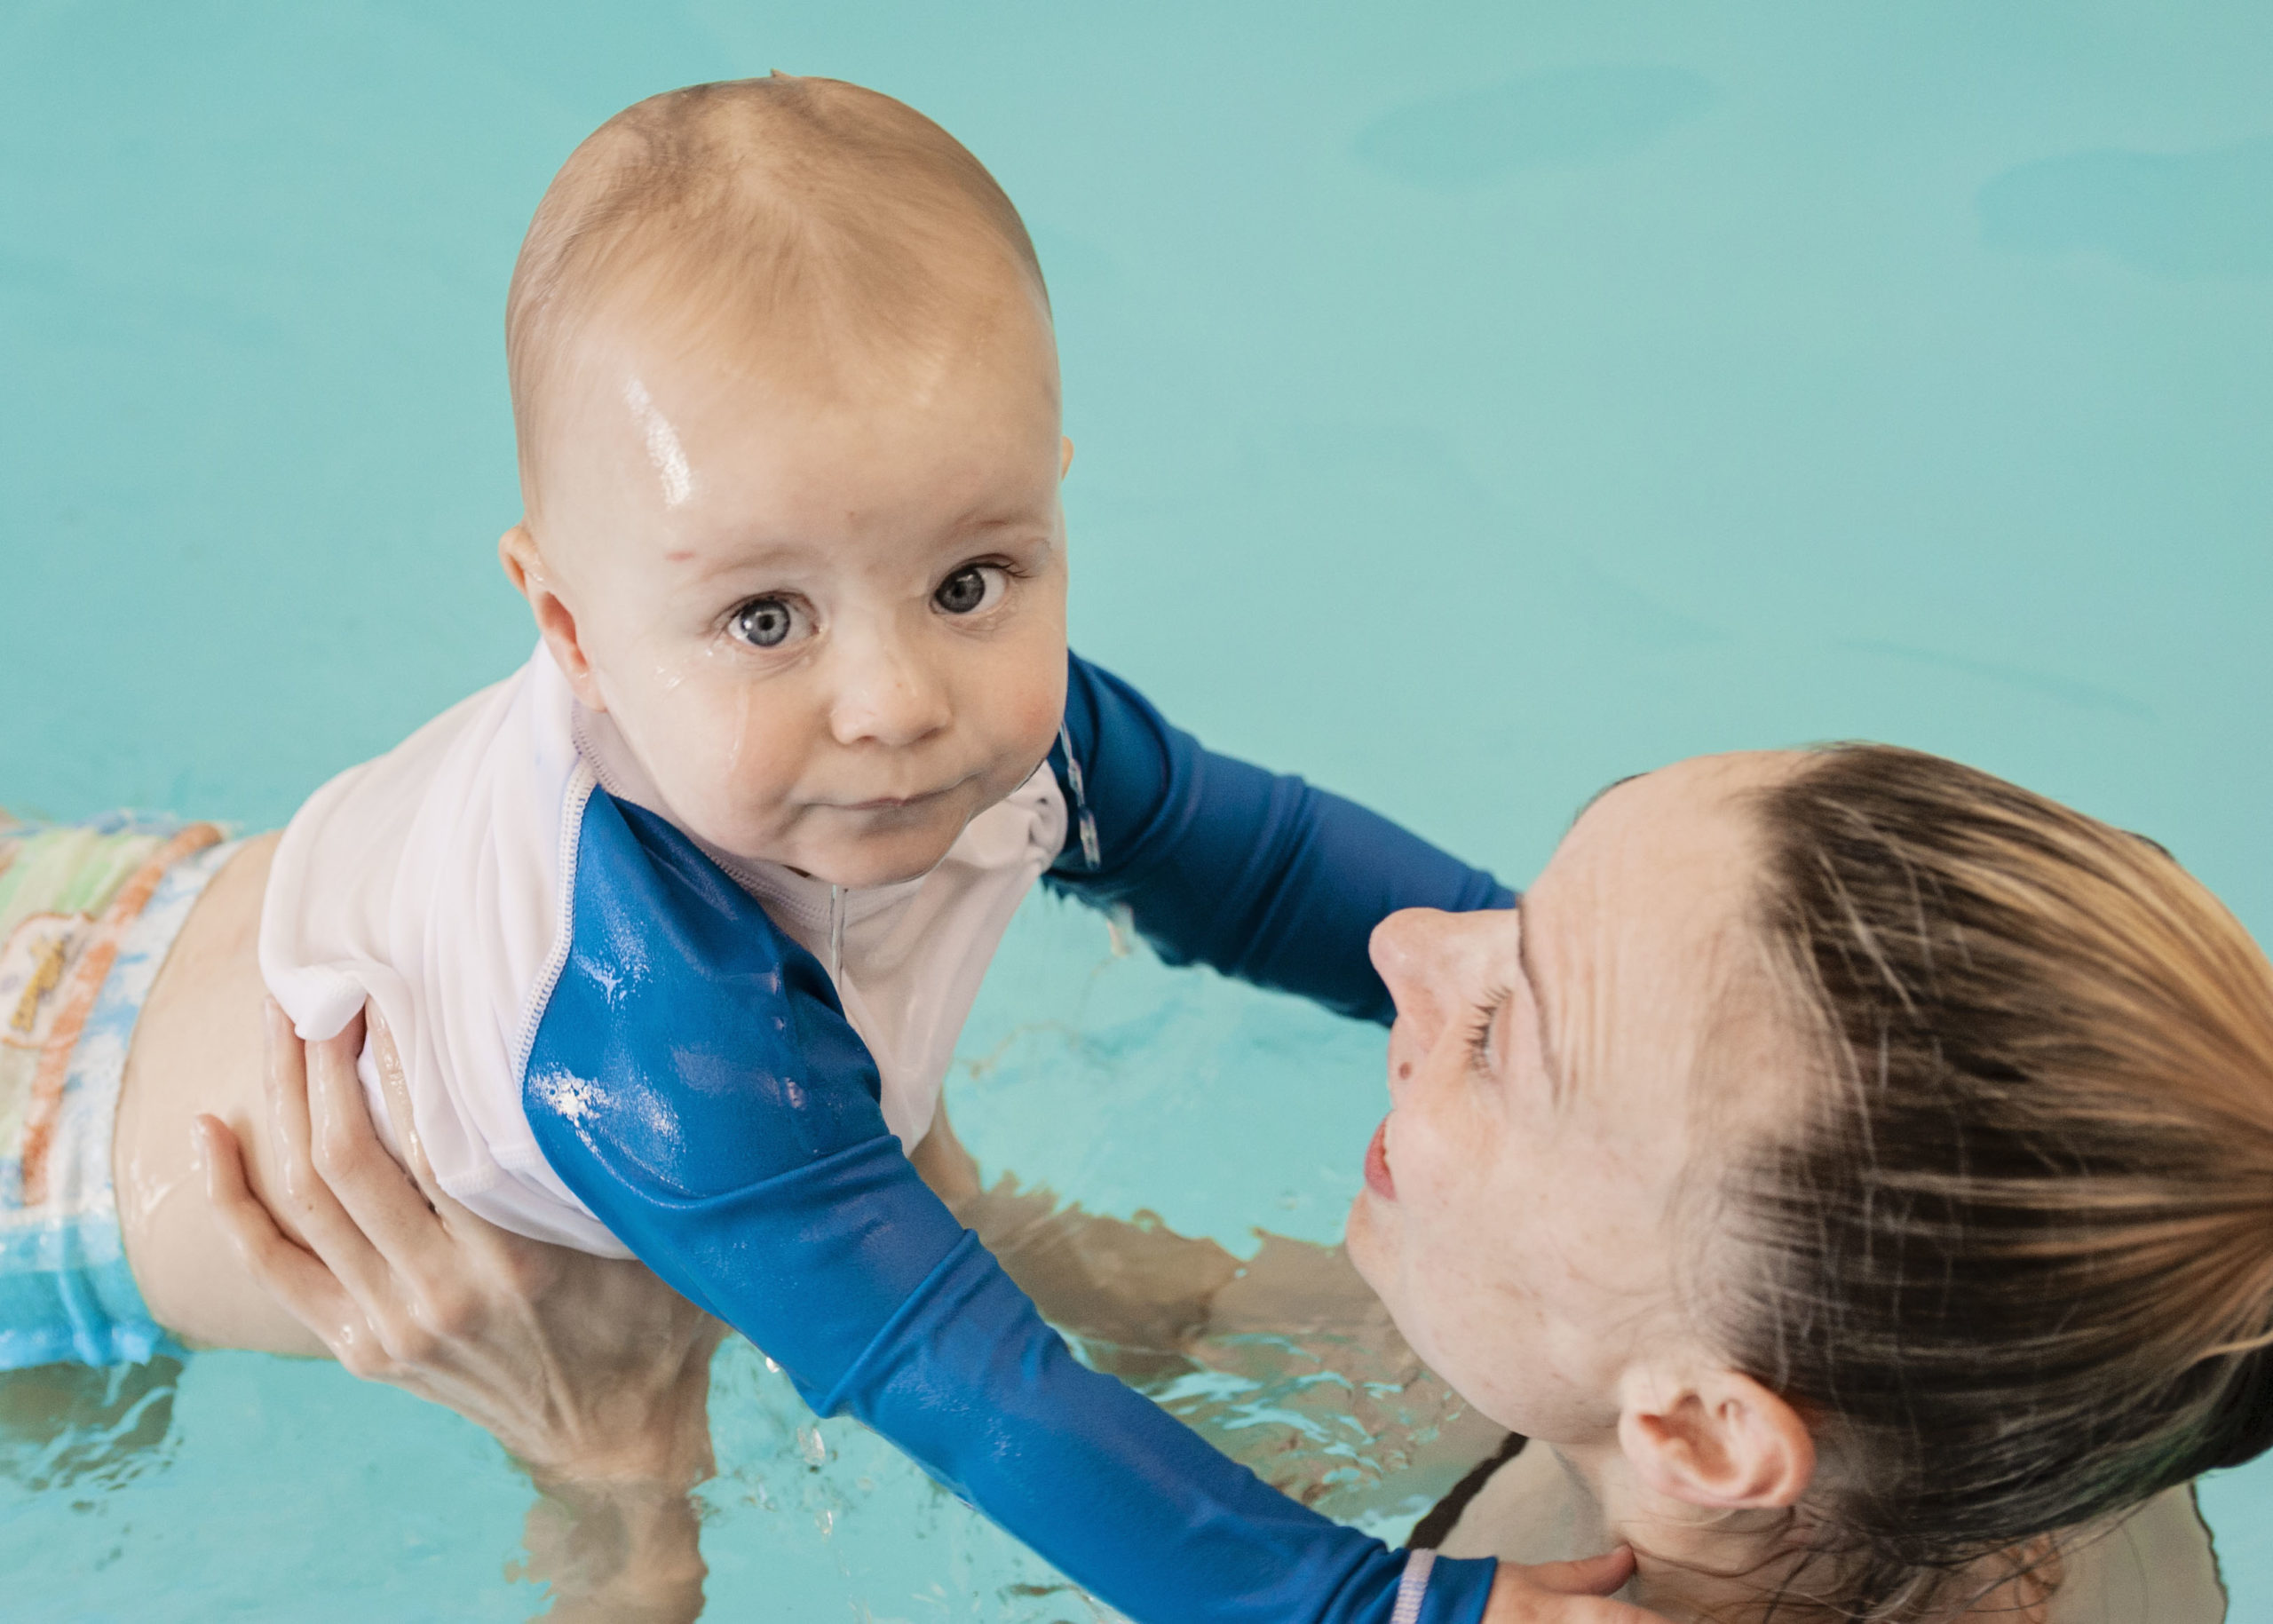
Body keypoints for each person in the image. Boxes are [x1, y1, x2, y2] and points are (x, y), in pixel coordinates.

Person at [5, 73, 1657, 1624]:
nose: (894, 700)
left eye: (969, 581)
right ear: (571, 628)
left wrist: (1575, 991)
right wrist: (1372, 1603)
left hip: (144, 903)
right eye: (765, 618)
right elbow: (976, 1383)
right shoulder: (660, 1023)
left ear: (1052, 506)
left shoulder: (1016, 733)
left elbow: (1279, 870)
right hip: (62, 1172)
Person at [229, 743, 2267, 1621]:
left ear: (1706, 1433)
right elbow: (1242, 1343)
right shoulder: (2039, 1390)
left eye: (1503, 1028)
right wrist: (866, 1183)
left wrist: (606, 1490)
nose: (1402, 949)